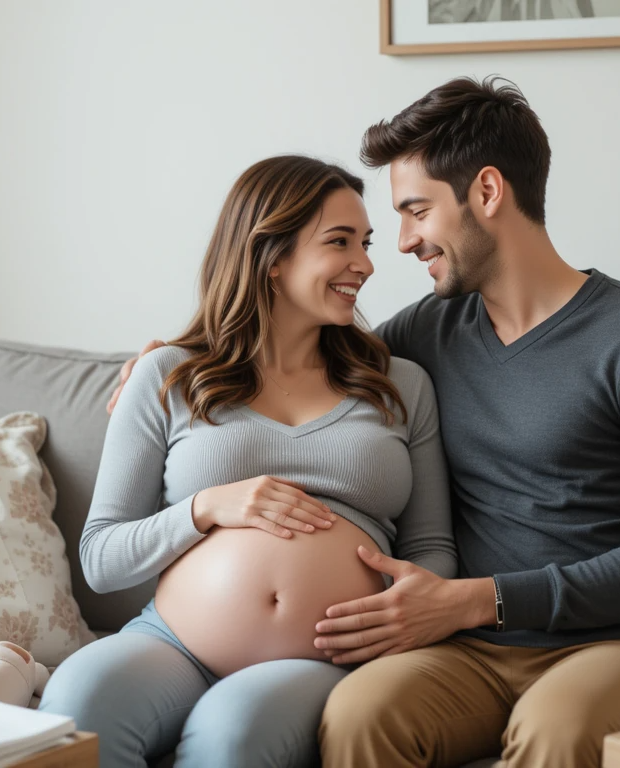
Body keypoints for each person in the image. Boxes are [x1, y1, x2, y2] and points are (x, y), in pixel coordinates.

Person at [110, 76, 620, 768]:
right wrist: (174, 362)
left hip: (618, 641)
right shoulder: (423, 336)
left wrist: (481, 601)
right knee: (359, 715)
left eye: (416, 212)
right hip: (467, 651)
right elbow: (293, 361)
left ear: (487, 192)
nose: (402, 244)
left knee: (554, 729)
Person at [39, 154, 457, 768]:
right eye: (339, 241)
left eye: (364, 243)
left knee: (232, 733)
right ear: (271, 255)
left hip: (321, 656)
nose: (366, 264)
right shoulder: (166, 375)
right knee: (79, 702)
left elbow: (432, 548)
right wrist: (205, 508)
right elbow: (102, 558)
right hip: (174, 643)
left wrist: (400, 616)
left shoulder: (400, 385)